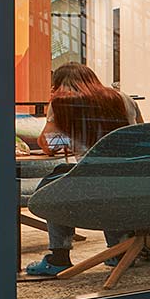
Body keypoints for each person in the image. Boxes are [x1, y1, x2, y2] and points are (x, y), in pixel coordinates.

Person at [24, 69, 135, 277]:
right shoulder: (123, 98)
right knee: (108, 185)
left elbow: (49, 146)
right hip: (130, 179)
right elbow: (138, 135)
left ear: (58, 85)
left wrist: (53, 110)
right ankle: (119, 251)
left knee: (54, 188)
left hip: (90, 183)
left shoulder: (62, 103)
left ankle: (59, 258)